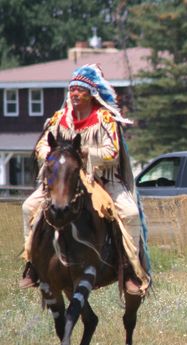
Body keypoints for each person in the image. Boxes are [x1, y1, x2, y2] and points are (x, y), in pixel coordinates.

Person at [20, 64, 150, 296]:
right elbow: (42, 145)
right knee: (28, 206)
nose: (75, 94)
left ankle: (130, 269)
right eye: (72, 90)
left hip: (100, 177)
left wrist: (87, 154)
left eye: (80, 90)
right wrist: (52, 157)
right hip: (63, 178)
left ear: (92, 93)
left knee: (129, 213)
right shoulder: (60, 118)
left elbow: (113, 153)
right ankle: (32, 263)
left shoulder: (105, 119)